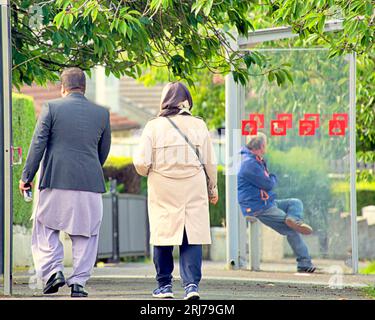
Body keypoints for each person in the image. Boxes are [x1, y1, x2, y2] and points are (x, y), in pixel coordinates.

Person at [19, 67, 111, 297]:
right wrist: (89, 168)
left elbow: (37, 144)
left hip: (55, 180)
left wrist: (26, 177)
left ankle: (53, 272)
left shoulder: (51, 108)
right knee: (86, 234)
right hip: (90, 184)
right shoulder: (102, 113)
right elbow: (103, 151)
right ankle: (79, 283)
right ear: (84, 88)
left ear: (63, 88)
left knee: (44, 226)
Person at [133, 82, 218, 300]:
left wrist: (155, 169)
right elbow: (210, 161)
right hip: (193, 187)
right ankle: (191, 286)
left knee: (163, 234)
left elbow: (141, 164)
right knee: (192, 235)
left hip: (163, 188)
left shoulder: (153, 126)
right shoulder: (199, 125)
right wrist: (213, 188)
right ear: (187, 101)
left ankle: (164, 286)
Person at [237, 132, 316, 273]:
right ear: (261, 146)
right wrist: (273, 176)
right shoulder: (250, 164)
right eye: (265, 145)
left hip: (267, 202)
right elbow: (268, 183)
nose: (266, 148)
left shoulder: (254, 160)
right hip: (258, 207)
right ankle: (304, 263)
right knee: (292, 230)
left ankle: (293, 218)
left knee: (295, 202)